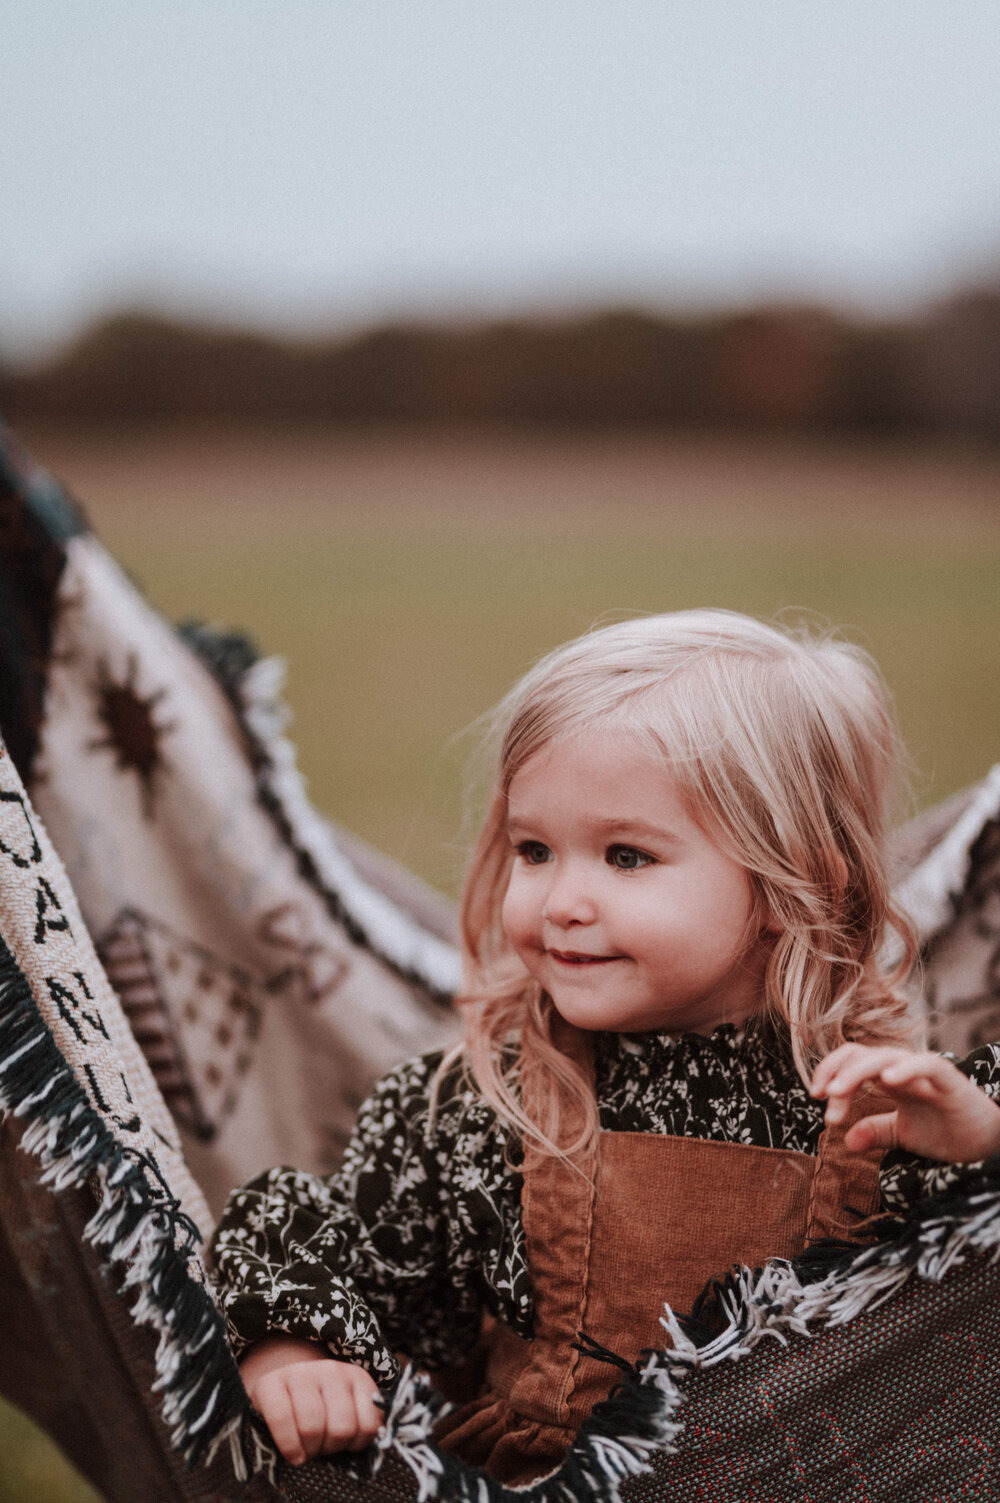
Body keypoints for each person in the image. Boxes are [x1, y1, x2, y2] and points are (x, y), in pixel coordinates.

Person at [211, 610, 1000, 1485]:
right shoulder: (482, 1104)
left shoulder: (882, 1105)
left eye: (626, 856)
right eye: (535, 849)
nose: (561, 901)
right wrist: (296, 1353)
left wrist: (982, 1142)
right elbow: (334, 1251)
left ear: (792, 884)